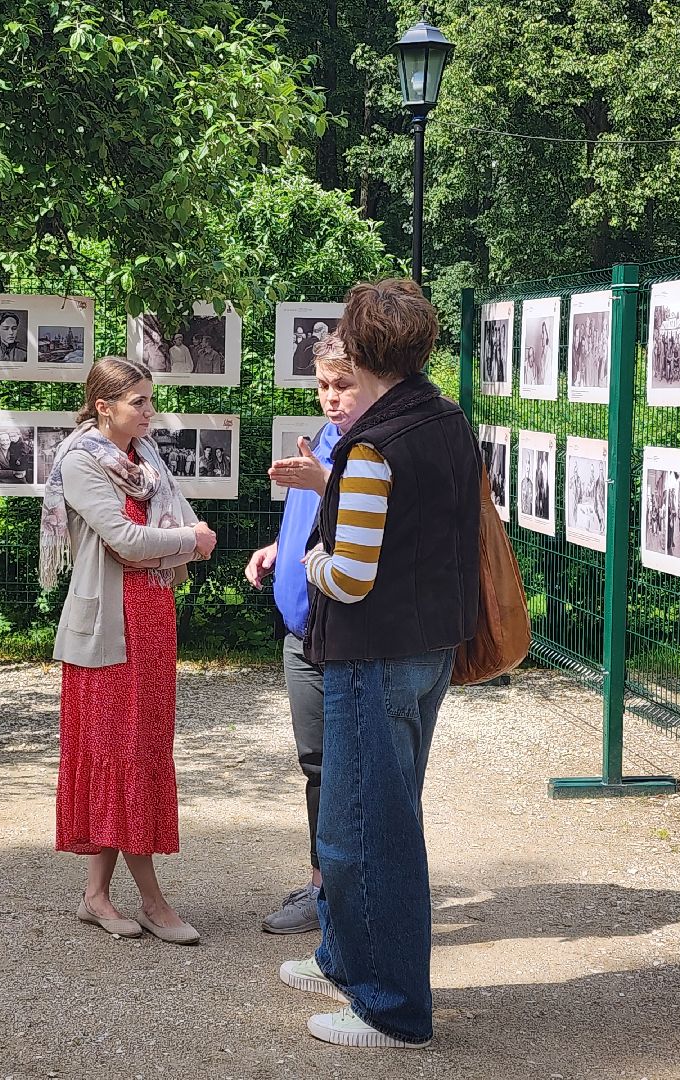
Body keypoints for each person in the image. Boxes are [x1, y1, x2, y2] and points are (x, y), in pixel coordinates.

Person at [277, 278, 479, 1050]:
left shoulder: (372, 446)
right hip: (428, 648)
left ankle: (390, 1009)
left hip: (372, 655)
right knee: (373, 818)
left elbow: (350, 576)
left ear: (363, 349)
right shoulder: (445, 419)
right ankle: (343, 959)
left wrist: (315, 554)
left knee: (365, 834)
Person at [39, 357, 219, 946]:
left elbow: (157, 539)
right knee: (123, 757)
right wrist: (188, 543)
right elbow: (124, 540)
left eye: (150, 399)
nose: (149, 411)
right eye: (138, 402)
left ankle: (95, 896)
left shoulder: (146, 459)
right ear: (103, 407)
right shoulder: (81, 462)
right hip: (108, 634)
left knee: (132, 755)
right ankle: (152, 899)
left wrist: (171, 545)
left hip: (150, 623)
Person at [245, 336, 362, 936]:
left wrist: (322, 484)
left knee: (349, 769)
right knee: (317, 764)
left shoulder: (370, 446)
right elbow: (312, 526)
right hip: (301, 629)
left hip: (342, 635)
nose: (331, 399)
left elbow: (364, 533)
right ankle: (324, 884)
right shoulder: (324, 438)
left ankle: (342, 893)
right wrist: (277, 548)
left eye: (341, 385)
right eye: (322, 386)